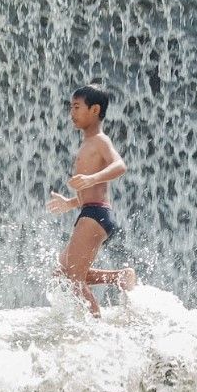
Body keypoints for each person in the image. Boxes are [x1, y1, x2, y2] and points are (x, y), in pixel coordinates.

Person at [46, 84, 136, 317]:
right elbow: (89, 192)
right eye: (70, 107)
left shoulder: (100, 140)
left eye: (76, 107)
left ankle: (97, 328)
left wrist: (91, 178)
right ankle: (119, 277)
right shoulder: (87, 143)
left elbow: (120, 166)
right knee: (62, 272)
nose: (71, 113)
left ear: (95, 110)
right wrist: (69, 202)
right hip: (90, 211)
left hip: (96, 215)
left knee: (74, 278)